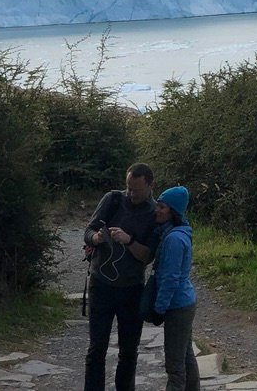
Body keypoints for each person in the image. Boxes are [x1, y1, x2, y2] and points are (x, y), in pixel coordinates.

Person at [84, 163, 159, 391]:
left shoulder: (155, 213)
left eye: (136, 189)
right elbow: (87, 232)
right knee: (97, 348)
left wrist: (129, 241)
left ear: (150, 185)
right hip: (101, 284)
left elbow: (147, 256)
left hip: (131, 289)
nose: (131, 194)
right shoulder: (113, 200)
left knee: (128, 351)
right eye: (128, 188)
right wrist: (96, 238)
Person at [152, 186, 199, 391]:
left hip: (177, 306)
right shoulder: (177, 234)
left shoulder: (173, 239)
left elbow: (170, 278)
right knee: (186, 355)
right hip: (185, 302)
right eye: (158, 206)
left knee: (175, 366)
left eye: (162, 207)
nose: (157, 210)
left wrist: (159, 308)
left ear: (173, 212)